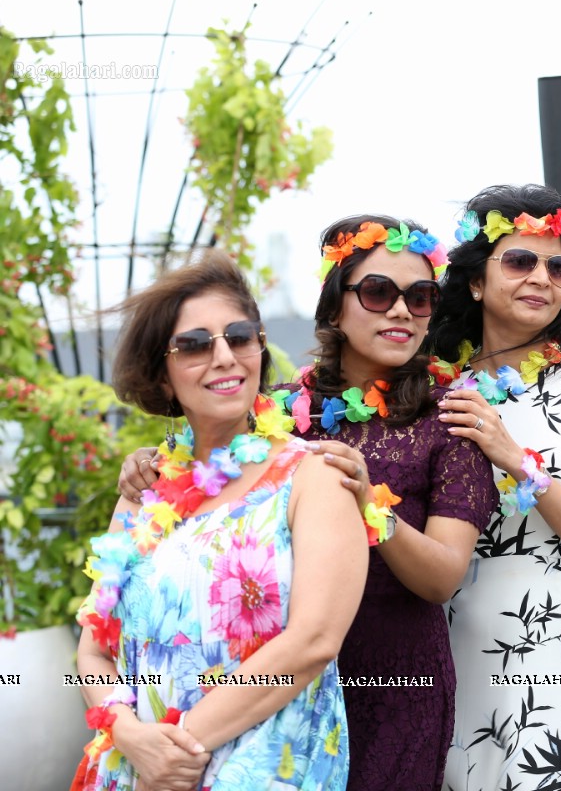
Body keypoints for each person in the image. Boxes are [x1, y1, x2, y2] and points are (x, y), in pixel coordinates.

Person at [118, 215, 499, 790]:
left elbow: (443, 579)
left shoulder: (449, 420)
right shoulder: (273, 403)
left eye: (420, 297)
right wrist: (149, 461)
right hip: (264, 682)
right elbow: (209, 477)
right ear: (333, 307)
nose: (400, 310)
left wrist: (373, 506)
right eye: (377, 292)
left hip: (394, 680)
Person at [73, 252, 367, 790]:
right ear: (161, 376)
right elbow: (93, 648)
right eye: (193, 344)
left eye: (239, 336)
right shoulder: (144, 491)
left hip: (261, 765)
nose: (224, 356)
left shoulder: (311, 475)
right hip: (135, 767)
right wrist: (132, 738)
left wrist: (178, 745)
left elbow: (314, 641)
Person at [426, 184, 561, 791]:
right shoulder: (430, 391)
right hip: (459, 649)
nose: (542, 279)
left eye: (559, 267)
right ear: (475, 280)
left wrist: (518, 462)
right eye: (521, 261)